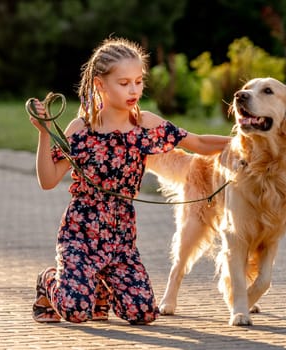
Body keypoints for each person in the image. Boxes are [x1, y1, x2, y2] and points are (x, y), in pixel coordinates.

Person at [28, 37, 230, 325]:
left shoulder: (145, 124)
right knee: (75, 310)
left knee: (143, 313)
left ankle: (96, 286)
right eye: (124, 83)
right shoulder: (81, 129)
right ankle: (49, 280)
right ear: (100, 84)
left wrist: (242, 143)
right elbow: (47, 181)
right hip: (80, 232)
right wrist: (44, 132)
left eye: (138, 81)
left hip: (121, 236)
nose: (134, 89)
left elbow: (197, 142)